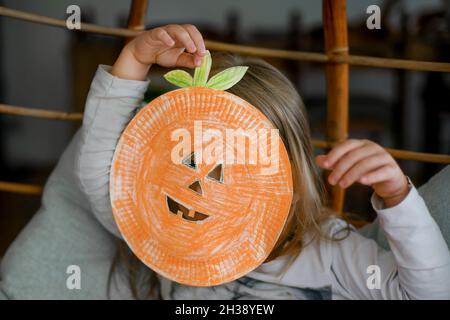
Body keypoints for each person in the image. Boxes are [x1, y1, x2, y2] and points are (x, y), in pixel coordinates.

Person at [76, 24, 449, 299]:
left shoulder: (327, 250)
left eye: (232, 170)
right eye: (190, 160)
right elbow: (99, 177)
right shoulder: (165, 234)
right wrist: (134, 59)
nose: (198, 187)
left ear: (285, 174)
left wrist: (398, 197)